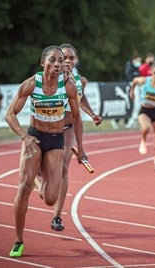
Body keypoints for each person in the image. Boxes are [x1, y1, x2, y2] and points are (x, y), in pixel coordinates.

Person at [5, 45, 85, 258]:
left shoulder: (68, 87)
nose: (57, 64)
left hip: (56, 140)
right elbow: (9, 115)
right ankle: (18, 240)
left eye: (60, 61)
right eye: (52, 60)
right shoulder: (31, 84)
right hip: (35, 138)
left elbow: (76, 118)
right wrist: (25, 136)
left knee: (50, 198)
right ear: (43, 63)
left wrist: (82, 150)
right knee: (23, 188)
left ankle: (39, 175)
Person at [48, 43, 102, 232]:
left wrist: (92, 113)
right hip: (48, 127)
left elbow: (80, 98)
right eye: (64, 58)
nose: (68, 61)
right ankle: (42, 185)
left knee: (63, 168)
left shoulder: (81, 80)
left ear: (76, 60)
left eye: (72, 58)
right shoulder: (52, 77)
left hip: (69, 127)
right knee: (44, 170)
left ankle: (57, 216)